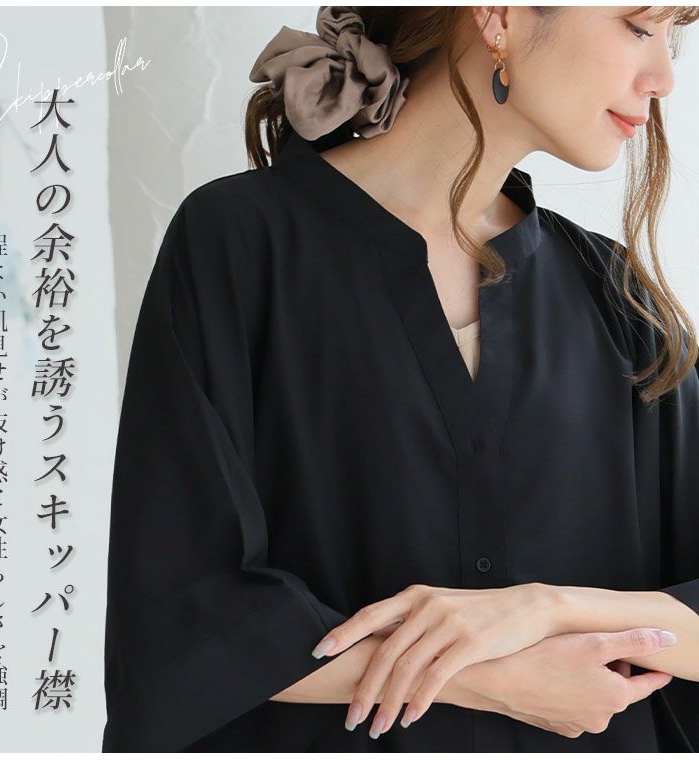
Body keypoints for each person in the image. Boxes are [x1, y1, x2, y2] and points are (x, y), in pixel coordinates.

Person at [101, 6, 699, 752]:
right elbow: (178, 615)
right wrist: (485, 675)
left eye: (674, 38)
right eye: (639, 26)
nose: (664, 77)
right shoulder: (241, 244)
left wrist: (547, 610)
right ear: (500, 16)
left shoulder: (617, 296)